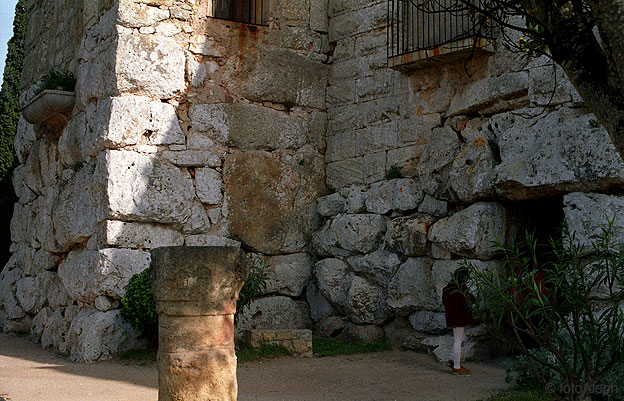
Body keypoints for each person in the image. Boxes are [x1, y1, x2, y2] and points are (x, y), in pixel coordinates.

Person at [442, 267, 477, 375]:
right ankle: (456, 366)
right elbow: (468, 300)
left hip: (451, 316)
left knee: (460, 338)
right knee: (458, 340)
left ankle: (452, 360)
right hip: (459, 317)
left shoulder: (447, 289)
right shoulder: (461, 288)